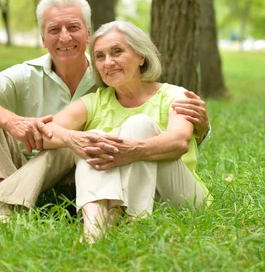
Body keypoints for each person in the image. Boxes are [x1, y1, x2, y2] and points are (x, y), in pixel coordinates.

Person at [0, 0, 210, 226]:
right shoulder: (34, 77)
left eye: (73, 27)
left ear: (88, 34)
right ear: (43, 38)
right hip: (49, 164)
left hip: (108, 175)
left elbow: (178, 139)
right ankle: (2, 201)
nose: (64, 37)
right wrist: (13, 122)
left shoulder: (130, 83)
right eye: (53, 30)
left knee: (101, 135)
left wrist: (201, 128)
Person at [40, 21, 208, 242]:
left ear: (141, 57)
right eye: (99, 56)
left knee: (139, 126)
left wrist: (132, 150)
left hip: (180, 198)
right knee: (93, 140)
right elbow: (45, 131)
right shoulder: (94, 102)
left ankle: (133, 223)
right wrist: (76, 138)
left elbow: (179, 142)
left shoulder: (175, 96)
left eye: (117, 52)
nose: (108, 62)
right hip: (116, 198)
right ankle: (94, 234)